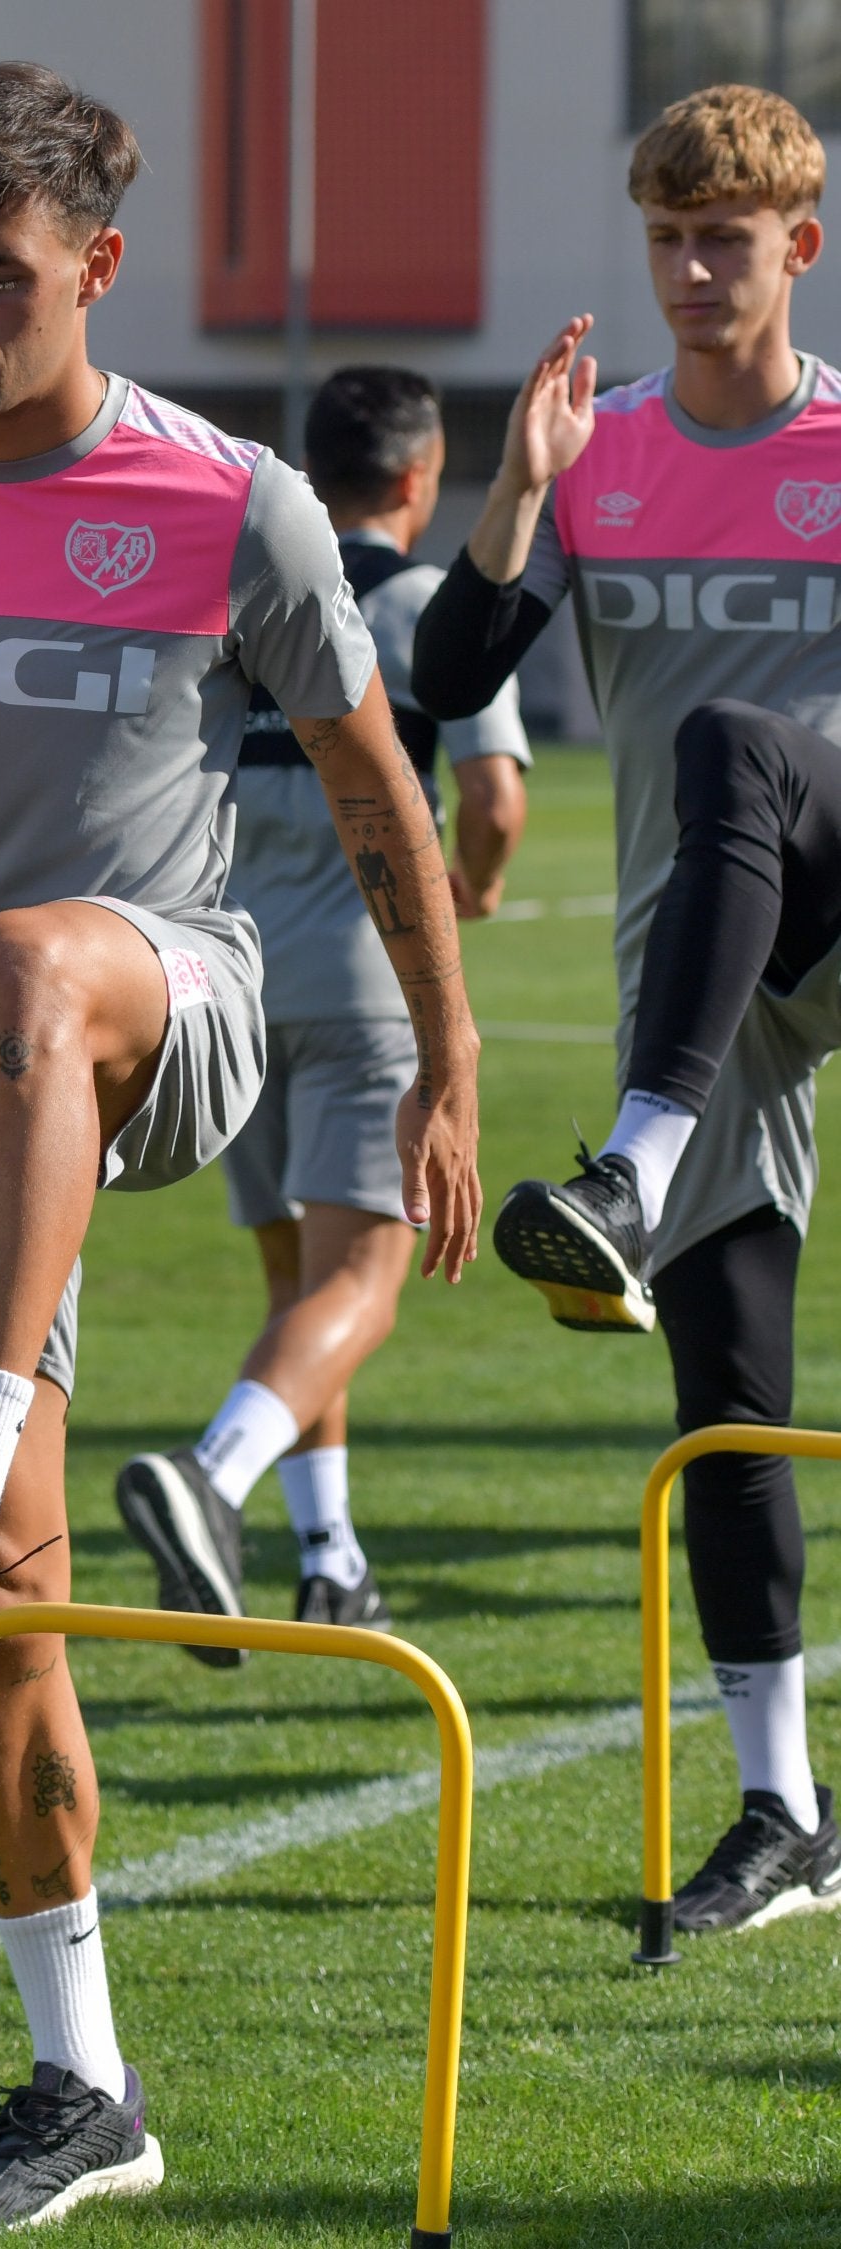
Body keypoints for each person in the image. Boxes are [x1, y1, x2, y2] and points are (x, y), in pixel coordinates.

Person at [0, 62, 480, 2228]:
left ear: (95, 269)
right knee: (16, 1638)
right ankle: (87, 2080)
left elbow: (375, 782)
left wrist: (449, 1060)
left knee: (34, 961)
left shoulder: (233, 497)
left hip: (173, 992)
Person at [411, 83, 841, 1937]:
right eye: (667, 236)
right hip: (711, 964)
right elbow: (442, 679)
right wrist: (516, 482)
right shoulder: (604, 456)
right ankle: (786, 1811)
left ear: (797, 249)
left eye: (725, 239)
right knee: (729, 1392)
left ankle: (635, 1164)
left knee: (745, 743)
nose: (688, 269)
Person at [117, 368, 528, 1643]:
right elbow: (498, 795)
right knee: (367, 1280)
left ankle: (330, 1553)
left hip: (231, 980)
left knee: (300, 1289)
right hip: (366, 981)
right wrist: (471, 885)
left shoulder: (257, 595)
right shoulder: (424, 612)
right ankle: (212, 1478)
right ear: (420, 477)